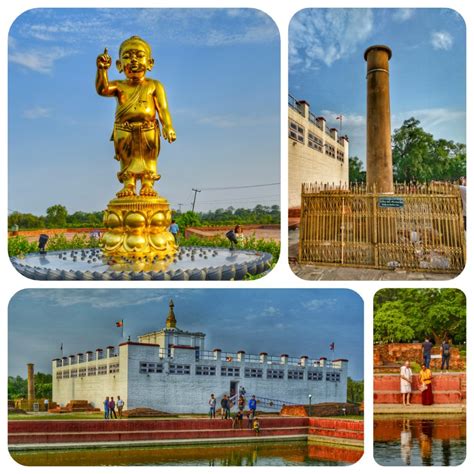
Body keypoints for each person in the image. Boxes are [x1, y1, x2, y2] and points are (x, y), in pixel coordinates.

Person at [96, 36, 176, 198]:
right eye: (127, 56)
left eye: (139, 55)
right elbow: (102, 89)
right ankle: (129, 184)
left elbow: (163, 109)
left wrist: (168, 126)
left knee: (149, 158)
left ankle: (147, 183)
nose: (133, 60)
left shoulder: (154, 85)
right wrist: (102, 70)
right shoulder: (119, 85)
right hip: (123, 129)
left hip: (149, 129)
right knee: (126, 159)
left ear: (150, 63)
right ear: (119, 65)